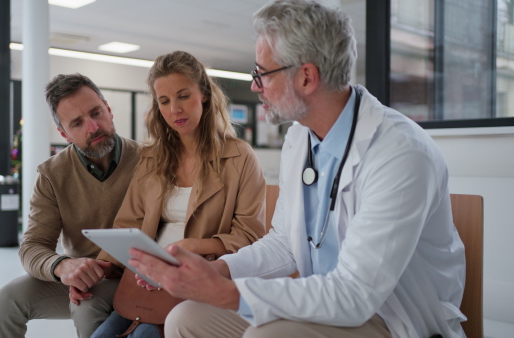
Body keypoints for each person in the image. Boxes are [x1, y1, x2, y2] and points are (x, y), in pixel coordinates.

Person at [127, 1, 467, 337]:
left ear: (306, 77)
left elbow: (356, 294)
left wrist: (228, 293)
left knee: (267, 336)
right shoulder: (300, 138)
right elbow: (284, 244)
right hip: (319, 301)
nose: (254, 86)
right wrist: (218, 270)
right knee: (186, 318)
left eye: (262, 73)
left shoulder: (399, 153)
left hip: (389, 316)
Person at [88, 50, 267, 338]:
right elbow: (128, 224)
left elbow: (250, 235)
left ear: (204, 95)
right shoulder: (152, 157)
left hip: (198, 274)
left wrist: (193, 246)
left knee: (145, 335)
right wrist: (102, 264)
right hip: (146, 277)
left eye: (184, 96)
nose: (175, 110)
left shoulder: (239, 156)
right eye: (165, 101)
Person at [0, 73, 140, 338]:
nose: (93, 127)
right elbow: (32, 247)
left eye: (96, 113)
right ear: (64, 133)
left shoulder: (147, 161)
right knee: (7, 300)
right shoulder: (52, 174)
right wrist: (63, 267)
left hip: (135, 276)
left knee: (86, 302)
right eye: (77, 123)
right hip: (78, 278)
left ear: (109, 110)